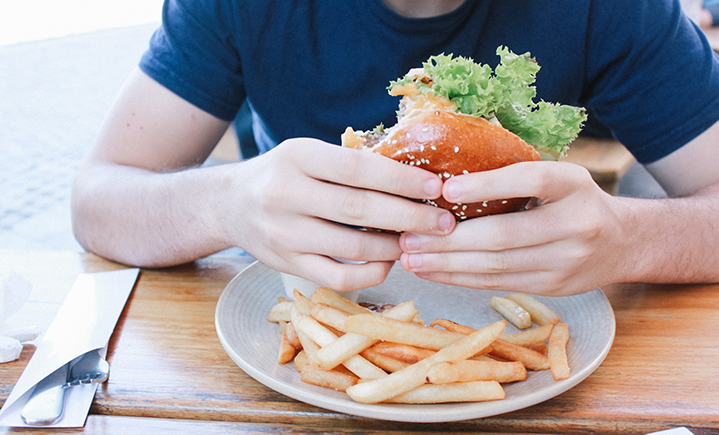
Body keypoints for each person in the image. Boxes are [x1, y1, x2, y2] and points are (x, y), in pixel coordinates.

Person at [72, 0, 719, 297]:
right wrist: (221, 202)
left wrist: (629, 236)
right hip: (289, 328)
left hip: (540, 341)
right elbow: (97, 200)